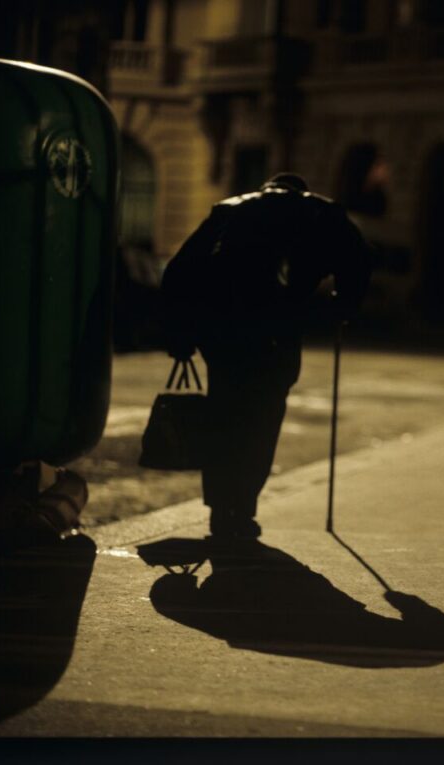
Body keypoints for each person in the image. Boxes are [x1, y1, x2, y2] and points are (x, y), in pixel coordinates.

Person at [159, 173, 372, 540]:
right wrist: (343, 306)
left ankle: (219, 506)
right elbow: (358, 262)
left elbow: (181, 270)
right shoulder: (321, 214)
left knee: (226, 411)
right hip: (279, 334)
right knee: (264, 419)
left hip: (224, 333)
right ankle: (242, 508)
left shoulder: (230, 211)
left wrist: (181, 335)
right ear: (299, 192)